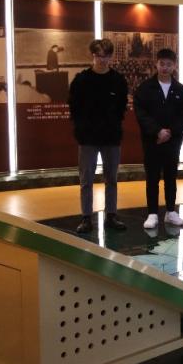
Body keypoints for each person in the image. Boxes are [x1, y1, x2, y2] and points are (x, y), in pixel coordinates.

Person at [68, 38, 129, 234]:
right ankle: (86, 217)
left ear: (111, 57)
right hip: (87, 138)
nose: (102, 60)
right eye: (98, 56)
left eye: (106, 56)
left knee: (111, 178)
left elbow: (122, 107)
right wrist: (81, 128)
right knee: (86, 180)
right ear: (93, 56)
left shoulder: (118, 80)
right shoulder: (81, 80)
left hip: (111, 137)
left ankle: (111, 215)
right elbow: (73, 106)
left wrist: (113, 124)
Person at [134, 48, 183, 230]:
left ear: (174, 66)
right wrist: (157, 131)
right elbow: (141, 114)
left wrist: (169, 132)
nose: (165, 68)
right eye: (162, 64)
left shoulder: (181, 91)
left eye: (169, 64)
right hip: (151, 140)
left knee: (171, 176)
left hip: (173, 141)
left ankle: (171, 211)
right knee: (152, 177)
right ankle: (152, 213)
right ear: (156, 64)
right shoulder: (144, 89)